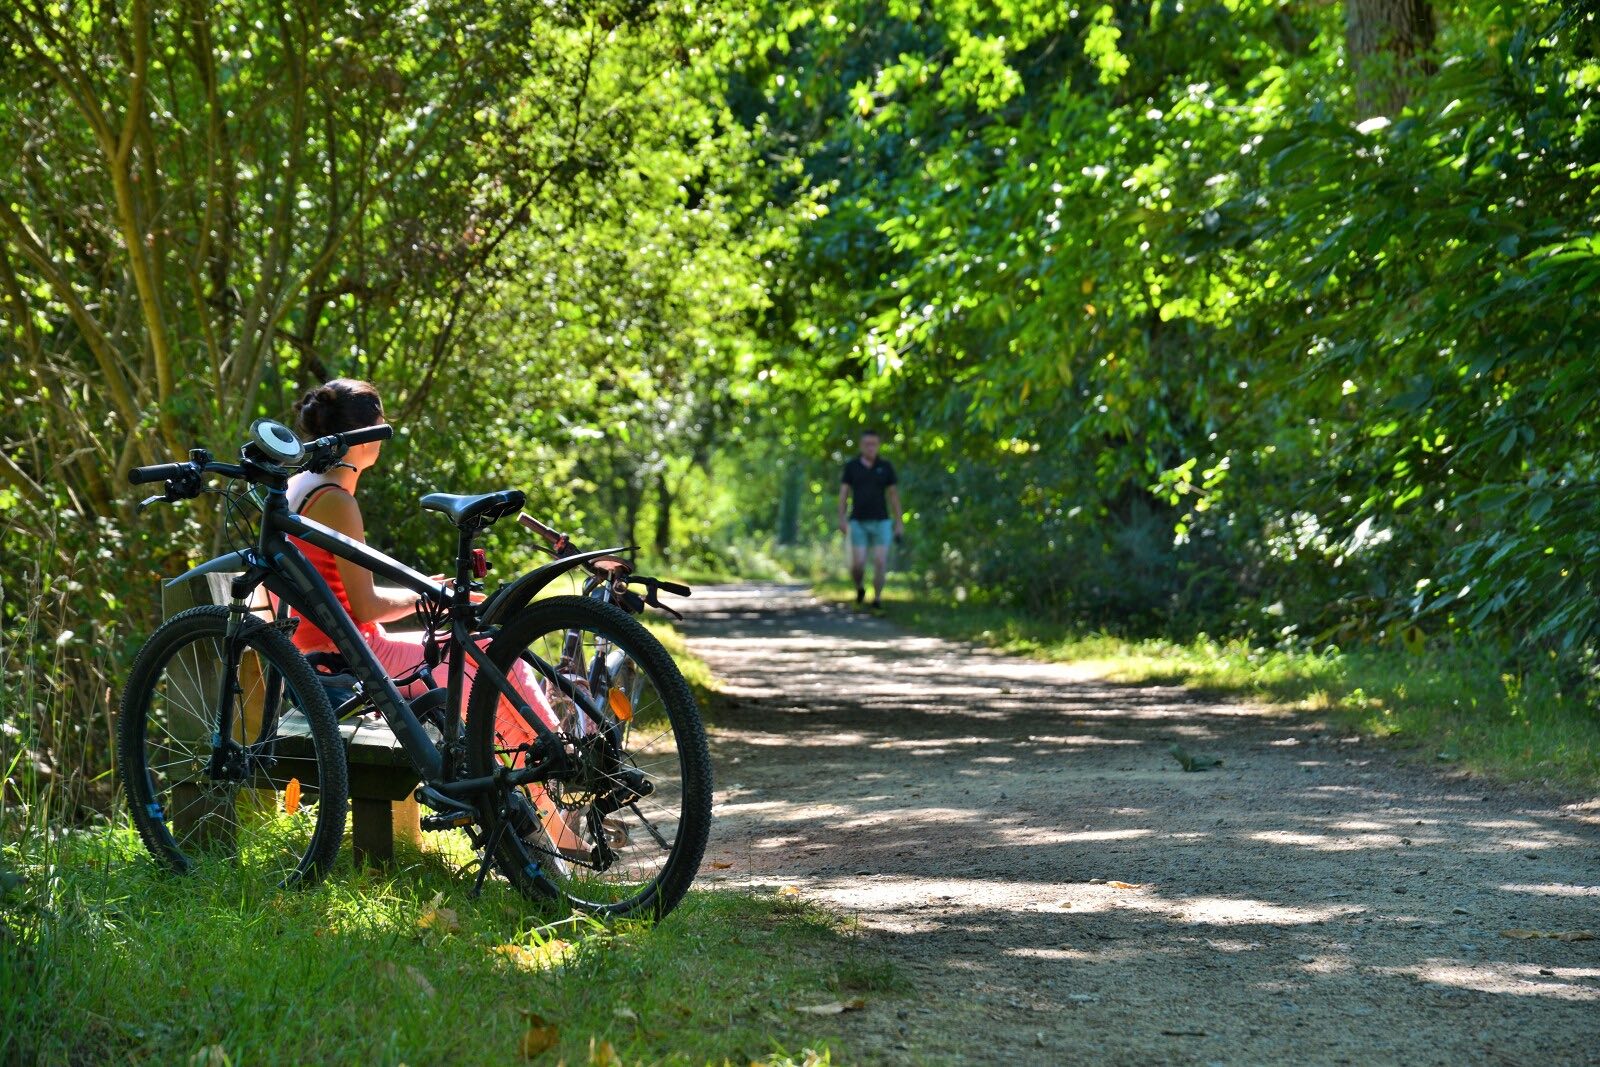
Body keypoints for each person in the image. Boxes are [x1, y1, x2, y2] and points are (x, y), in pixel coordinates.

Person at [282, 378, 583, 855]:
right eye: (382, 425)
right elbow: (366, 607)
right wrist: (426, 596)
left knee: (484, 662)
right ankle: (559, 793)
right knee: (493, 658)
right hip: (348, 665)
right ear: (367, 436)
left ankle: (549, 821)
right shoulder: (338, 499)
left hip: (333, 652)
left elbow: (349, 601)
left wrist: (424, 592)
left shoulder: (302, 484)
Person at [837, 429, 904, 608]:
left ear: (878, 445)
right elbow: (844, 493)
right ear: (861, 445)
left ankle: (877, 599)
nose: (870, 447)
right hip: (858, 521)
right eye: (867, 444)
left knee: (880, 561)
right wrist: (841, 518)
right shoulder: (852, 467)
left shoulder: (886, 467)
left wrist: (899, 522)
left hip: (882, 520)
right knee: (858, 564)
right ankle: (860, 588)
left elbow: (893, 496)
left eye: (874, 444)